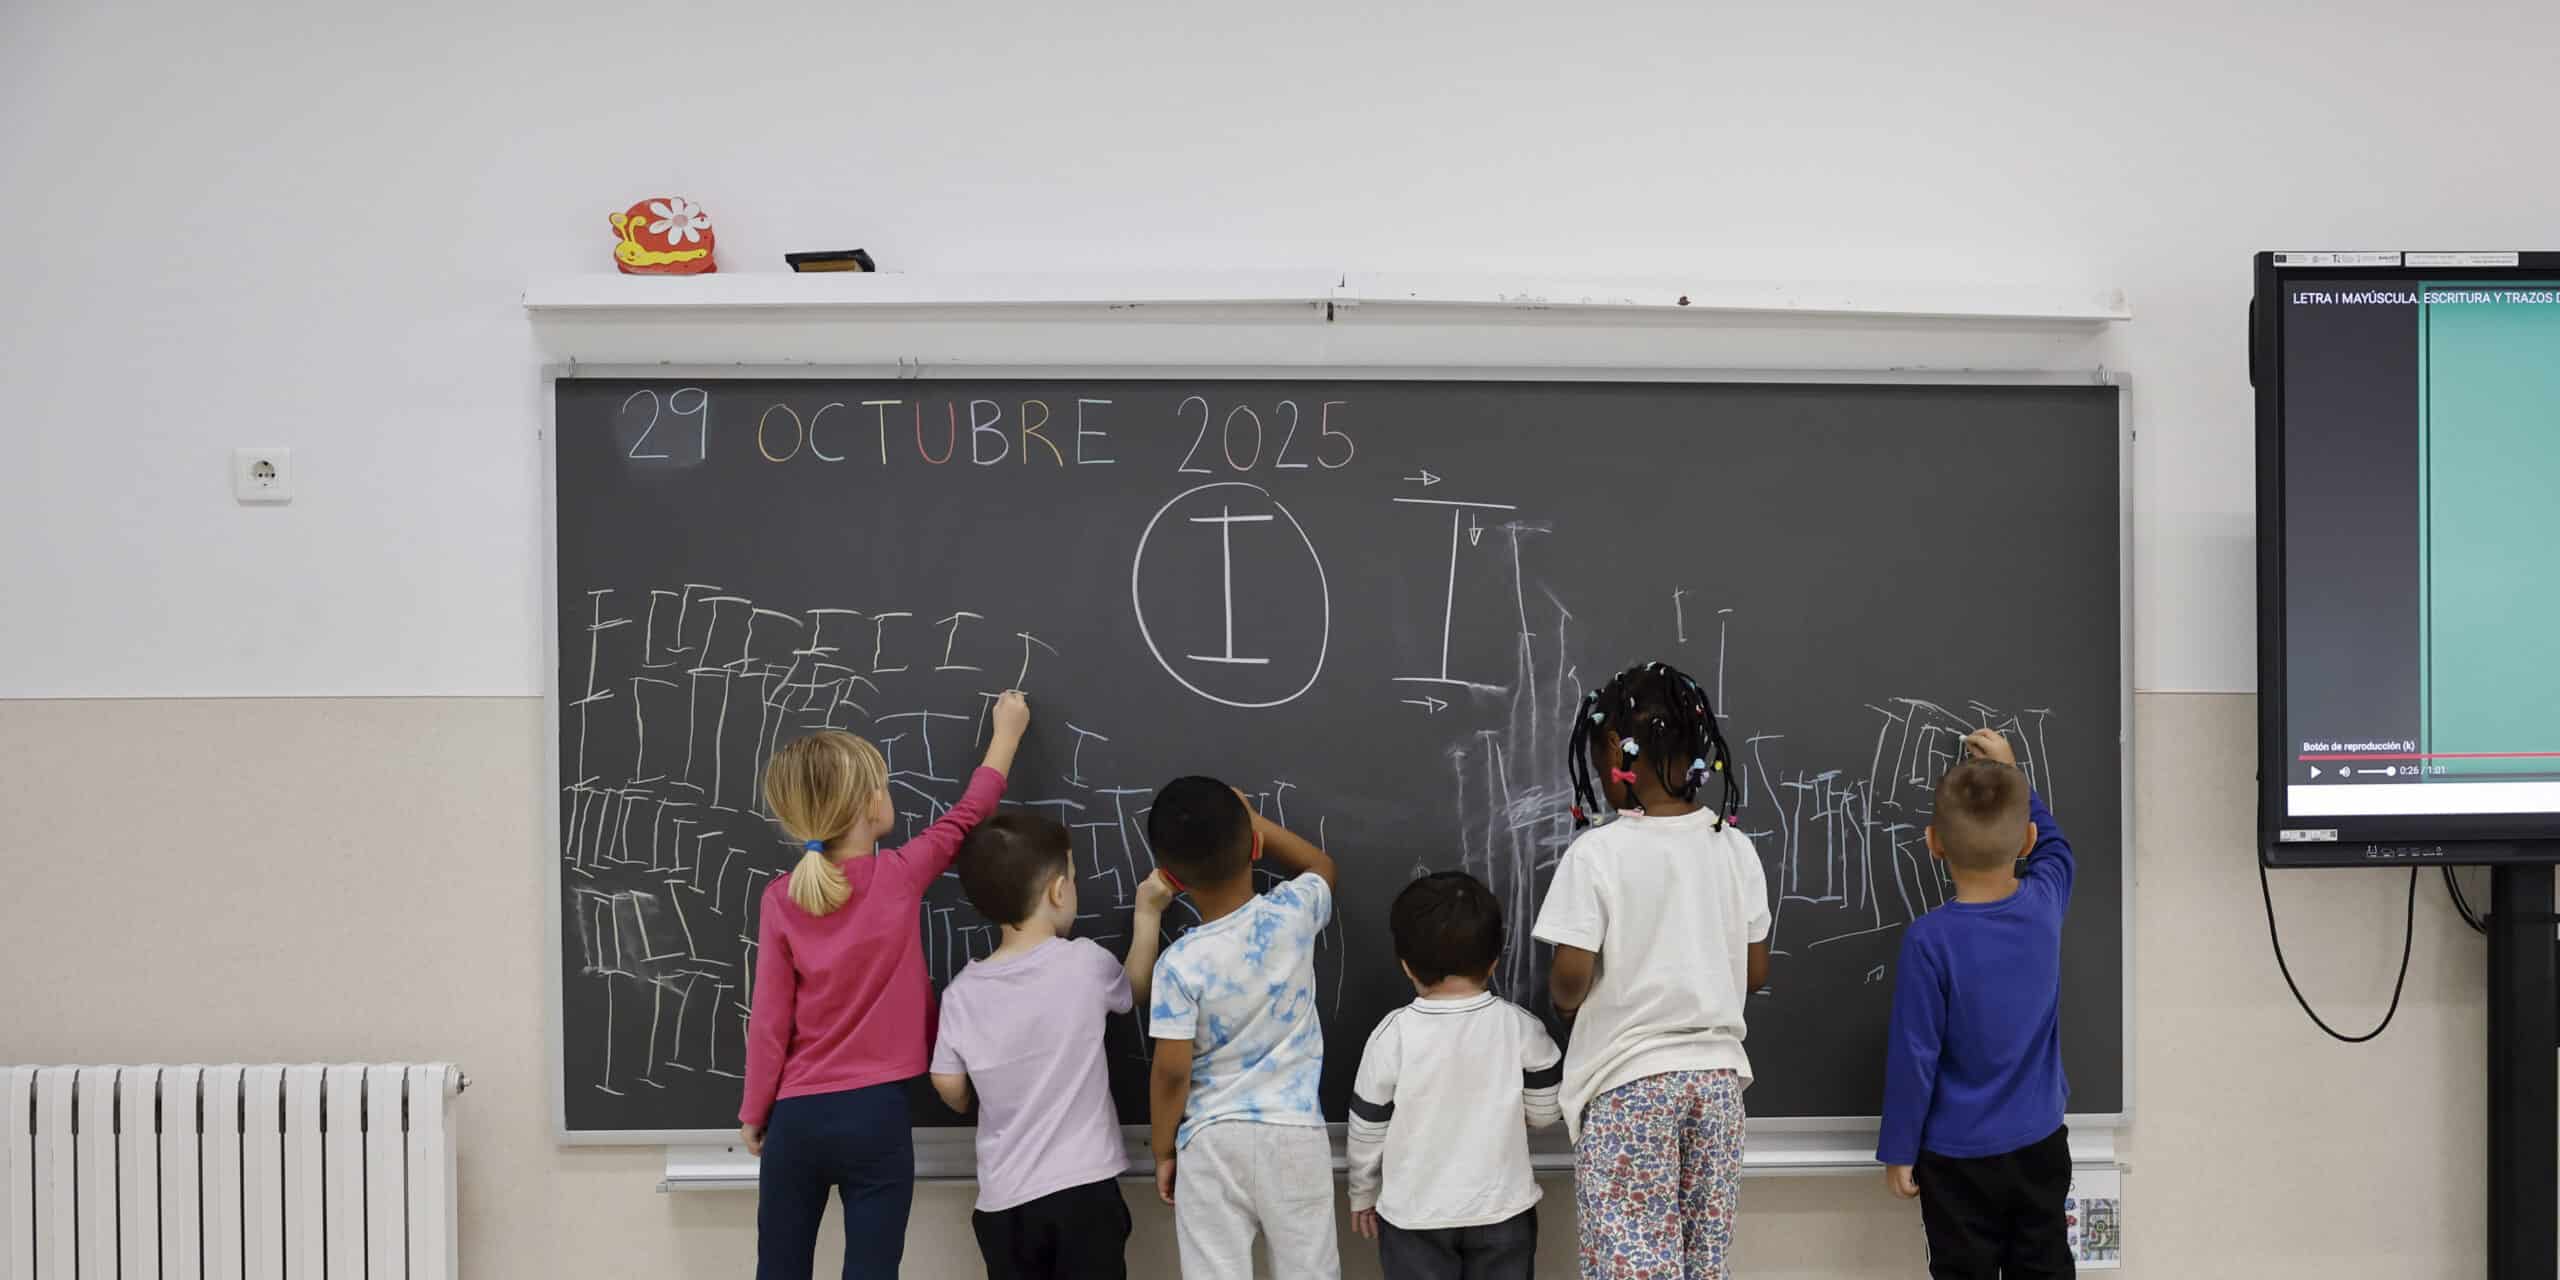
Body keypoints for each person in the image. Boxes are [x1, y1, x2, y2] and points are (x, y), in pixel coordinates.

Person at [740, 690, 1030, 1280]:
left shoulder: (780, 899)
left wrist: (754, 1110)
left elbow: (770, 1019)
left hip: (796, 1117)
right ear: (872, 805)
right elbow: (970, 813)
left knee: (779, 1268)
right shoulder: (900, 874)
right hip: (878, 1115)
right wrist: (1008, 733)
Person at [1534, 661, 1770, 1280]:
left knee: (1634, 1263)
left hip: (1631, 1084)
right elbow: (1755, 972)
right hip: (1718, 1087)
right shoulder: (1733, 845)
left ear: (1616, 749)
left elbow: (1570, 974)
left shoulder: (1598, 853)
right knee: (1703, 1262)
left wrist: (1566, 1001)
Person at [929, 812, 1176, 1280]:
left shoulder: (961, 992)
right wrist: (1148, 914)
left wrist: (961, 1097)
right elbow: (1134, 987)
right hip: (1082, 1192)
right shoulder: (1083, 964)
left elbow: (946, 1081)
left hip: (1004, 1203)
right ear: (1058, 891)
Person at [1878, 728, 2078, 1279]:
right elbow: (2058, 848)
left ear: (1932, 843)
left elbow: (1914, 1054)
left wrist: (1899, 1148)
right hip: (2038, 1143)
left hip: (1955, 1159)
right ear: (2027, 839)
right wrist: (2015, 773)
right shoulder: (2044, 905)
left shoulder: (1928, 940)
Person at [1144, 777, 1342, 1280]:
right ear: (1254, 844)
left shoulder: (1177, 964)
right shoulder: (1293, 913)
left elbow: (1170, 1074)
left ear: (1171, 876)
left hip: (1211, 1142)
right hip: (1294, 1133)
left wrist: (1164, 1148)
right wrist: (1254, 823)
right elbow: (1322, 867)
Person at [1347, 871, 1562, 1280]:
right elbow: (1547, 1109)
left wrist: (1362, 1191)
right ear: (1495, 960)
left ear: (1407, 966)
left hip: (1414, 1216)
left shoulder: (1393, 1034)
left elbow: (1367, 1128)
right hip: (1502, 1211)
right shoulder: (1519, 1026)